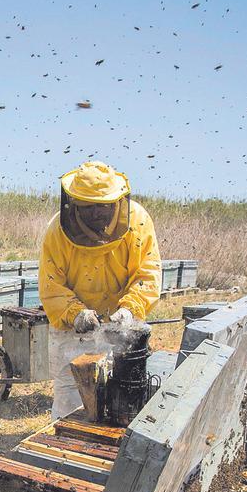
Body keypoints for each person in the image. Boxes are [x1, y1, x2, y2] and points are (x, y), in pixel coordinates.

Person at [39, 161, 162, 420]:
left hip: (121, 328)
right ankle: (65, 452)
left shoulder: (137, 222)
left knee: (121, 401)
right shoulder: (57, 231)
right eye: (89, 206)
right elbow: (52, 285)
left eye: (103, 205)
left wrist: (130, 309)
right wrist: (75, 314)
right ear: (74, 204)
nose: (97, 213)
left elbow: (147, 273)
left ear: (117, 201)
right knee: (71, 405)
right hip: (71, 330)